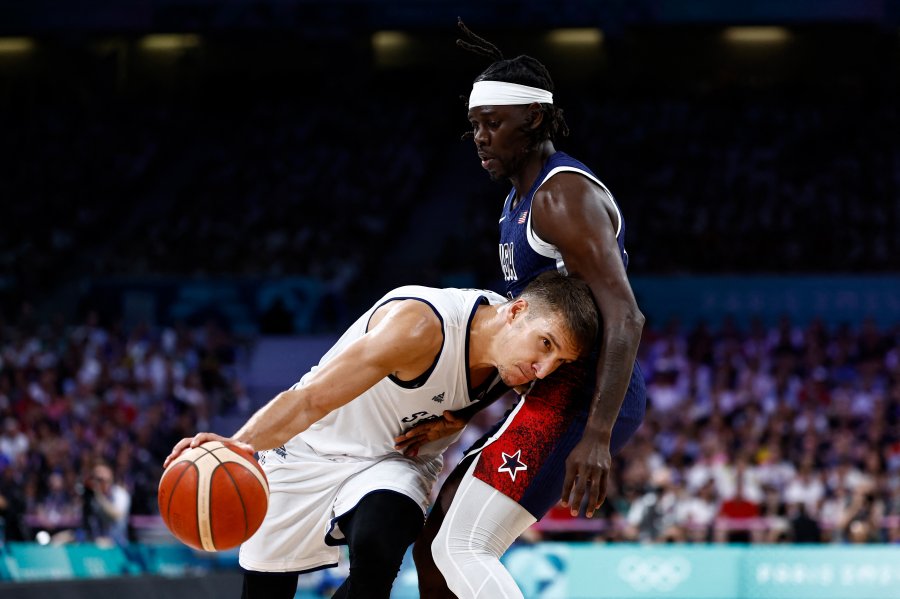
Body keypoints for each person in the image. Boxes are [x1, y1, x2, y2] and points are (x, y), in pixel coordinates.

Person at [400, 21, 648, 598]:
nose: (480, 138)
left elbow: (626, 315)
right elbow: (522, 339)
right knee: (434, 542)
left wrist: (596, 435)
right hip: (551, 394)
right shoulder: (518, 200)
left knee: (460, 546)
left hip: (581, 395)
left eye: (492, 124)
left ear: (533, 119)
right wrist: (461, 415)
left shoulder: (562, 195)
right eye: (474, 127)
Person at [164, 272, 599, 599]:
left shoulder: (517, 361)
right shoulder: (419, 327)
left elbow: (484, 378)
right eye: (545, 346)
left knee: (379, 543)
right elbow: (311, 399)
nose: (545, 370)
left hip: (392, 461)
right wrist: (235, 445)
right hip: (308, 446)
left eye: (559, 362)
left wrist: (465, 414)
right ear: (516, 311)